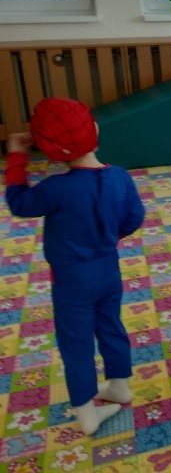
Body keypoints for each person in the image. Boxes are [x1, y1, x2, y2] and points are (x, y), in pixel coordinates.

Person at [4, 98, 145, 435]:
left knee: (76, 344)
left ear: (51, 153)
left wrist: (17, 156)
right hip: (108, 269)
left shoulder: (56, 189)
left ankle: (87, 414)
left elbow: (18, 203)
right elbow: (134, 218)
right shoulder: (120, 177)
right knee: (111, 326)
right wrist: (106, 236)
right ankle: (120, 387)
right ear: (95, 130)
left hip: (71, 281)